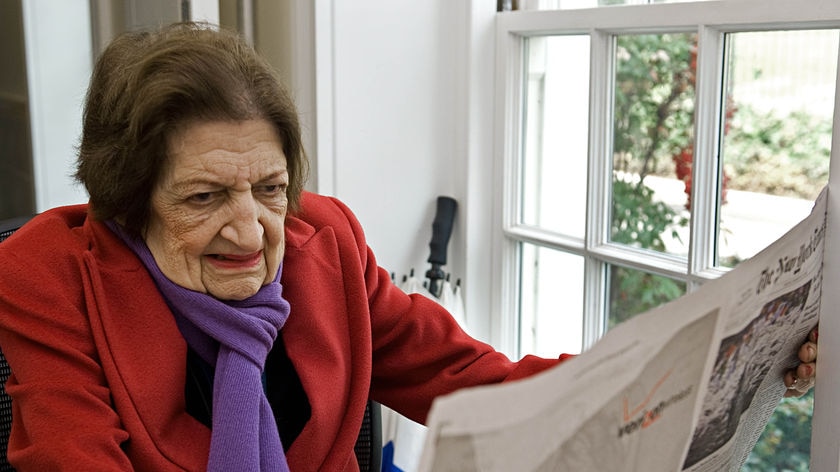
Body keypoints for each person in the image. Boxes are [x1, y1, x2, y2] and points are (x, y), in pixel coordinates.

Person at [0, 22, 817, 471]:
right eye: (204, 198)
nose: (250, 232)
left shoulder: (329, 245)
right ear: (127, 199)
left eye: (271, 188)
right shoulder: (49, 272)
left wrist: (719, 365)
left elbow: (476, 384)